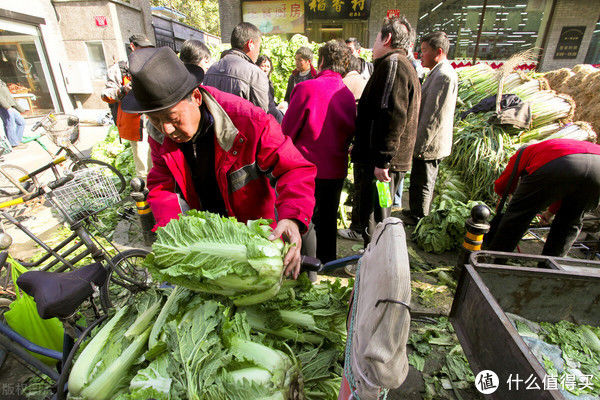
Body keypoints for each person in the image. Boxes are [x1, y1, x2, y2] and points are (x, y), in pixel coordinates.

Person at [121, 46, 317, 278]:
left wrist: (292, 218)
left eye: (173, 118)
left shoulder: (248, 121)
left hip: (260, 242)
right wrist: (177, 237)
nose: (167, 129)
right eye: (155, 120)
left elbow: (293, 169)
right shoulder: (161, 135)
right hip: (214, 244)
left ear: (195, 97)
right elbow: (162, 186)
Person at [282, 39, 356, 263]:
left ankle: (307, 267)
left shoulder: (306, 88)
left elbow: (288, 130)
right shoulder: (347, 95)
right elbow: (350, 131)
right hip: (335, 167)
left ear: (322, 61)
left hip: (306, 167)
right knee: (328, 218)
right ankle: (328, 262)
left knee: (306, 218)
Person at [350, 15, 421, 246]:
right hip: (387, 161)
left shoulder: (393, 64)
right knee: (379, 211)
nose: (373, 46)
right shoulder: (398, 64)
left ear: (387, 38)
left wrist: (383, 161)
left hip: (383, 164)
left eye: (377, 38)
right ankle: (374, 257)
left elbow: (392, 115)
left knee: (376, 215)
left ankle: (372, 261)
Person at [487, 139, 600, 257]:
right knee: (569, 222)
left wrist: (504, 195)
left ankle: (496, 259)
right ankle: (550, 268)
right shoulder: (559, 145)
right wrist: (550, 212)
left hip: (561, 164)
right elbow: (568, 186)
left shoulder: (526, 150)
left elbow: (507, 178)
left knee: (519, 214)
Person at [404, 31, 458, 225]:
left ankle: (421, 218)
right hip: (427, 141)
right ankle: (415, 212)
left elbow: (432, 116)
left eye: (425, 50)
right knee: (419, 179)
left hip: (431, 142)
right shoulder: (437, 72)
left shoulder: (443, 75)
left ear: (439, 51)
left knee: (425, 181)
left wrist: (420, 145)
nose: (421, 54)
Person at [101, 34, 154, 179]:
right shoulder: (119, 69)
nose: (146, 52)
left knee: (156, 164)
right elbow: (106, 95)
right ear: (133, 47)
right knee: (143, 168)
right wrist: (123, 90)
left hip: (156, 121)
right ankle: (145, 198)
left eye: (148, 49)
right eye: (143, 48)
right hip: (137, 125)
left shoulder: (152, 65)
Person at [203, 22, 270, 113]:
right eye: (258, 46)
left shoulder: (211, 70)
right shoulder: (255, 74)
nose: (258, 52)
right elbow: (260, 115)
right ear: (250, 44)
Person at [256, 55, 283, 123]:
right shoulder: (256, 82)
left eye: (268, 66)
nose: (265, 69)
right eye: (263, 66)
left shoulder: (269, 82)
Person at [0, 78, 25, 147]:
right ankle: (13, 144)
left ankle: (17, 141)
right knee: (10, 125)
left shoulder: (2, 82)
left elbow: (9, 97)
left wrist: (20, 109)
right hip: (4, 108)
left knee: (21, 122)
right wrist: (7, 107)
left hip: (10, 106)